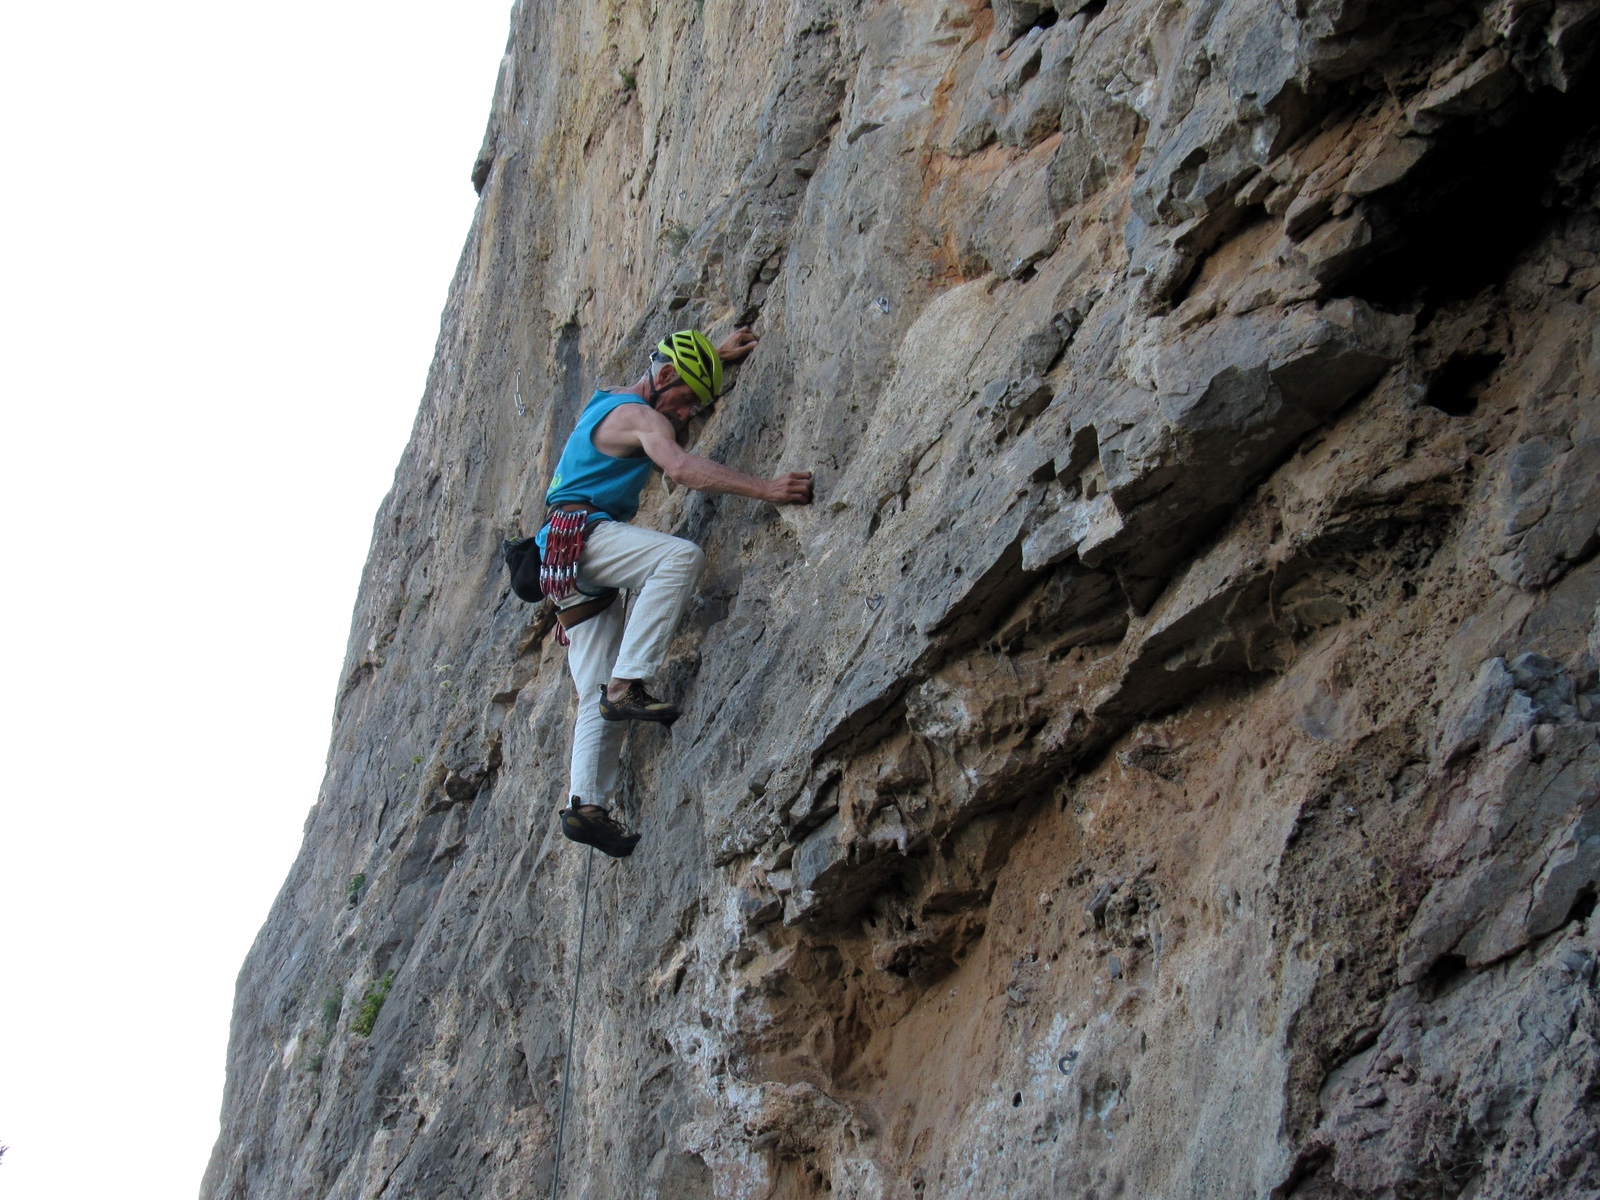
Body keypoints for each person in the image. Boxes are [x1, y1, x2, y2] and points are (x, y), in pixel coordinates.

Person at [537, 327, 813, 857]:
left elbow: (666, 382)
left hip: (562, 562)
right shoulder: (643, 417)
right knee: (678, 557)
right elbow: (681, 467)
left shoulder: (613, 403)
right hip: (584, 538)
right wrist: (767, 489)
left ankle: (586, 806)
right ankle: (628, 685)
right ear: (664, 379)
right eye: (686, 402)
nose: (686, 417)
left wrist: (713, 359)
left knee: (594, 690)